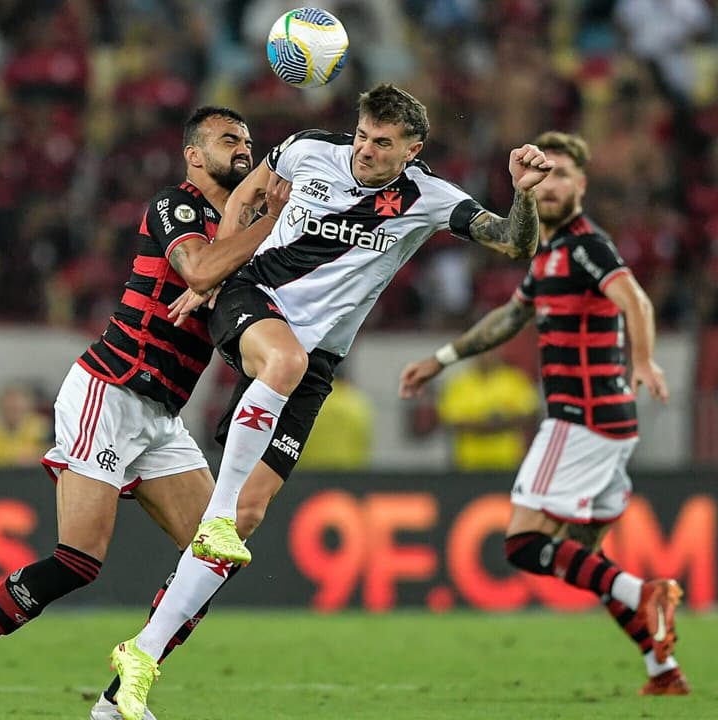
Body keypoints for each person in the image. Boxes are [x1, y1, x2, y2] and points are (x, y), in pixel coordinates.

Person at [108, 83, 552, 720]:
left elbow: (514, 241)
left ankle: (139, 661)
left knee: (252, 513)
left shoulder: (426, 197)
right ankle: (216, 517)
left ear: (412, 149)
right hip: (253, 301)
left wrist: (524, 195)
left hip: (315, 364)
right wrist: (213, 276)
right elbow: (244, 196)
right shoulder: (307, 149)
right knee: (276, 378)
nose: (367, 152)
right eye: (364, 136)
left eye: (384, 144)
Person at [0, 105, 290, 720]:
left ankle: (117, 702)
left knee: (216, 554)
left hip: (161, 415)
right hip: (108, 390)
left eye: (247, 139)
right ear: (194, 154)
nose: (242, 147)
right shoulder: (177, 204)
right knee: (79, 559)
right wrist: (265, 228)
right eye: (227, 139)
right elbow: (196, 266)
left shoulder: (239, 229)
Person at [398, 131, 689, 696]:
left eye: (561, 175)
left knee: (524, 545)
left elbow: (636, 300)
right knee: (585, 559)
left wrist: (645, 361)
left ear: (581, 184)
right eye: (543, 173)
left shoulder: (587, 245)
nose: (550, 184)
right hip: (610, 426)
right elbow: (510, 318)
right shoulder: (549, 253)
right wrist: (441, 360)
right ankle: (663, 669)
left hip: (579, 419)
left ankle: (646, 594)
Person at [435, 348, 540, 470]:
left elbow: (530, 414)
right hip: (468, 462)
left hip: (507, 459)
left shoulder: (515, 380)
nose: (486, 356)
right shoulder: (458, 384)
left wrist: (492, 422)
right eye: (482, 352)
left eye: (490, 351)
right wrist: (490, 424)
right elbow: (451, 420)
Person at [0, 382, 48, 469]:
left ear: (27, 407)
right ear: (0, 407)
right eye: (9, 408)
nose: (13, 411)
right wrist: (22, 458)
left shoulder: (40, 427)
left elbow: (48, 454)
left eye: (16, 408)